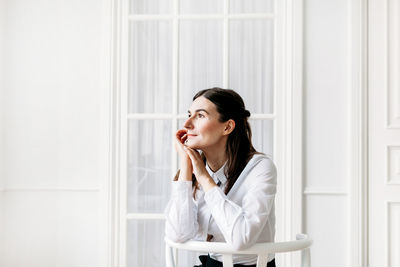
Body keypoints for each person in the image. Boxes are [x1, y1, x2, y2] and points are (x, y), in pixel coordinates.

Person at [164, 88, 277, 267]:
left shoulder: (260, 167)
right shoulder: (197, 169)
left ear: (227, 127)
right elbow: (178, 234)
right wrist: (186, 163)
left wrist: (203, 177)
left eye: (200, 116)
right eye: (189, 114)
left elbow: (242, 239)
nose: (187, 124)